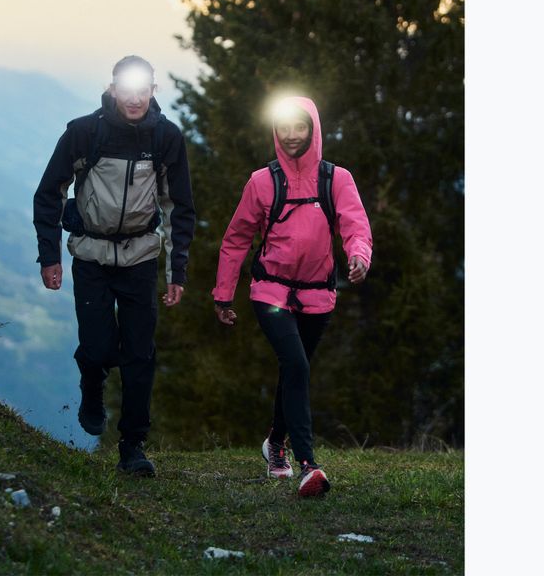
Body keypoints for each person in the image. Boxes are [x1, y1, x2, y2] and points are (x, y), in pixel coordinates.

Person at [33, 55, 196, 476]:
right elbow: (49, 193)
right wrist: (49, 255)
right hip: (91, 256)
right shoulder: (85, 133)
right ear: (112, 89)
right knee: (100, 347)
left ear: (154, 91)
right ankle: (92, 381)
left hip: (141, 257)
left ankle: (132, 447)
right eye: (128, 89)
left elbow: (179, 206)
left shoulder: (165, 138)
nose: (136, 98)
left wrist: (177, 270)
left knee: (140, 354)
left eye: (144, 90)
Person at [211, 96, 372, 497]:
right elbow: (236, 240)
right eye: (284, 127)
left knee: (294, 370)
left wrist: (358, 256)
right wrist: (223, 295)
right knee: (297, 365)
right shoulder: (261, 182)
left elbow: (356, 226)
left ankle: (274, 444)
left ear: (313, 129)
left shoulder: (337, 179)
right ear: (275, 130)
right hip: (271, 290)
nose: (292, 134)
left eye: (300, 127)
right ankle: (308, 465)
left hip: (319, 293)